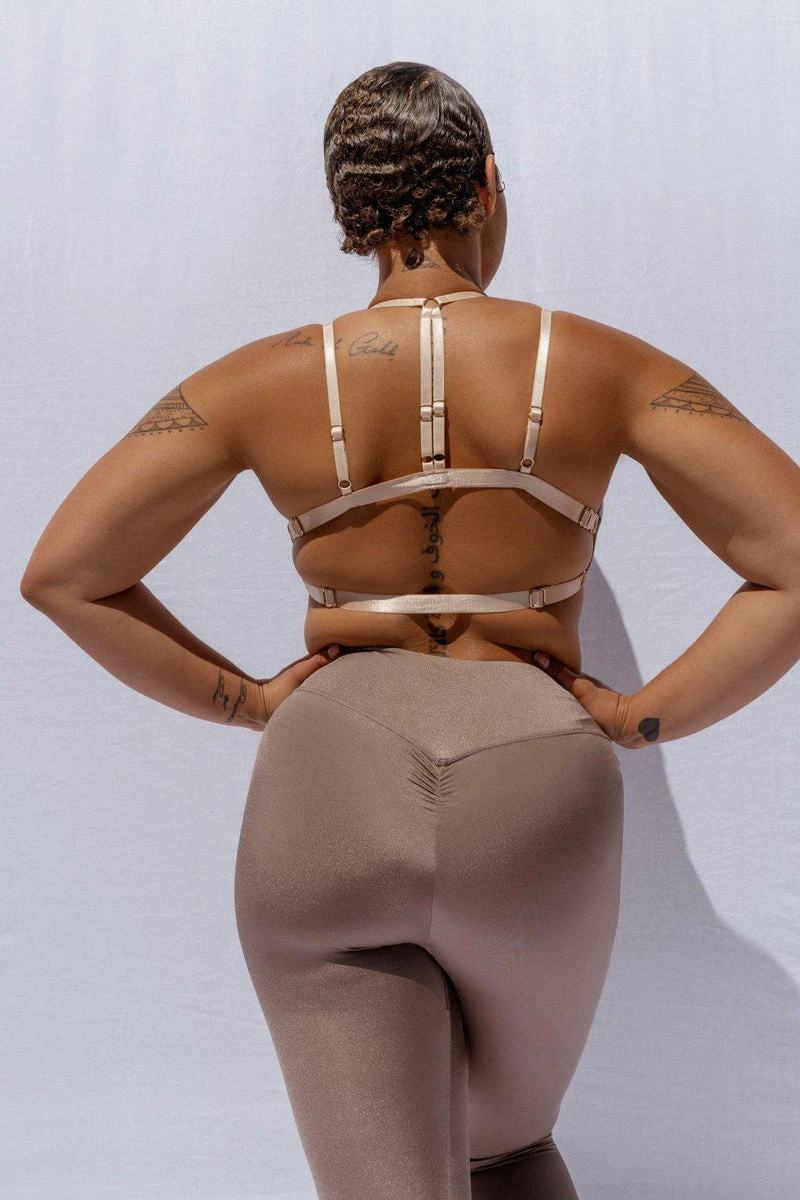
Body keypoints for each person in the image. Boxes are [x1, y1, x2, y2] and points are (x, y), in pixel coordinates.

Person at [19, 60, 800, 1200]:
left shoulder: (256, 380)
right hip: (536, 789)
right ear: (485, 185)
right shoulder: (607, 365)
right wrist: (638, 717)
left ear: (348, 209)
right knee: (509, 1155)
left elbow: (65, 575)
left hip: (327, 787)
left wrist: (253, 701)